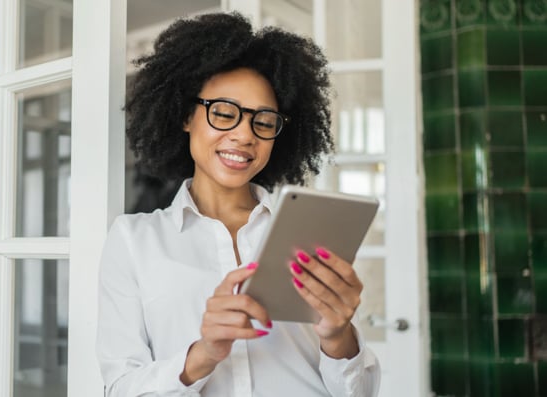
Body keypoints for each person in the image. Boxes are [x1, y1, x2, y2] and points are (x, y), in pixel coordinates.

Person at [97, 12, 380, 397]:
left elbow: (360, 393)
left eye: (263, 121)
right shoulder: (133, 240)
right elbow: (120, 388)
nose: (244, 135)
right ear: (185, 116)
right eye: (225, 113)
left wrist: (338, 335)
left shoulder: (304, 235)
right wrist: (203, 354)